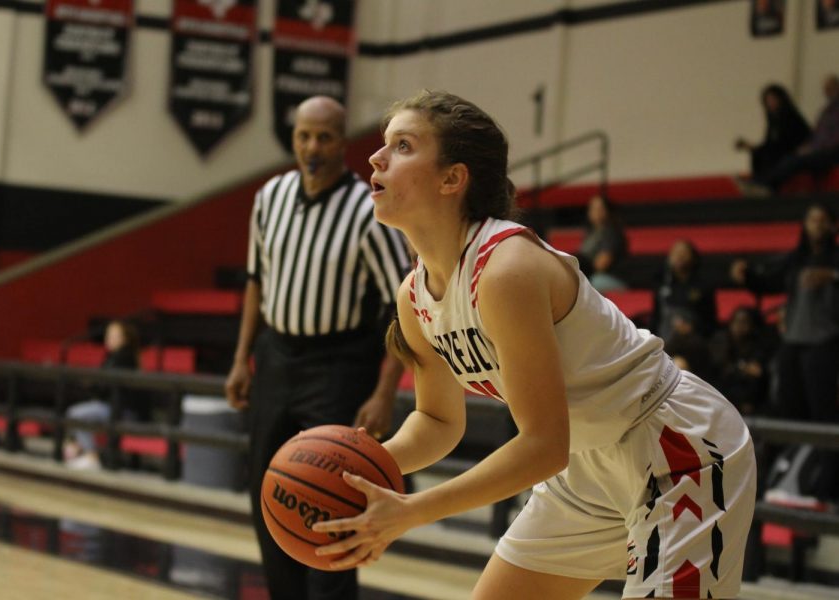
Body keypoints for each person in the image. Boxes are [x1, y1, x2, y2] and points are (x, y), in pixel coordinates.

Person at [313, 91, 756, 599]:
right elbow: (438, 422)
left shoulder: (506, 269)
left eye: (403, 145)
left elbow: (543, 444)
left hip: (674, 448)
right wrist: (362, 472)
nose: (375, 156)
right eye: (384, 145)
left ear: (452, 179)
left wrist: (411, 511)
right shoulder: (414, 295)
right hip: (584, 468)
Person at [224, 96, 409, 600]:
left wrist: (385, 390)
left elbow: (405, 306)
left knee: (333, 504)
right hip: (277, 356)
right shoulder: (269, 197)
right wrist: (243, 358)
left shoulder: (368, 210)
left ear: (342, 143)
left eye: (324, 137)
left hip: (340, 363)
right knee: (271, 491)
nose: (312, 147)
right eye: (304, 136)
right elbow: (255, 283)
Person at [731, 202, 839, 502]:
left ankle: (825, 489)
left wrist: (831, 276)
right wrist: (747, 275)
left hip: (824, 342)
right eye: (810, 220)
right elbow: (769, 281)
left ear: (832, 226)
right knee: (789, 413)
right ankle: (784, 481)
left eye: (821, 220)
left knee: (824, 417)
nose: (815, 225)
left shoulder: (833, 259)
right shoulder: (797, 259)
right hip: (793, 342)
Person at [64, 319, 142, 470]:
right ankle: (78, 449)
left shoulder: (124, 358)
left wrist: (93, 385)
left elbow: (107, 387)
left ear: (125, 338)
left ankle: (91, 456)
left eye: (114, 335)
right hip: (110, 407)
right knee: (80, 416)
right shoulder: (112, 357)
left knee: (75, 414)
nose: (109, 339)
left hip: (121, 411)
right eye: (108, 335)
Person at [757, 75, 839, 193]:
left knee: (791, 161)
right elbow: (816, 135)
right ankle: (762, 184)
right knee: (785, 157)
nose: (826, 92)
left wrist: (814, 148)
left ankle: (765, 186)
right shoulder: (827, 111)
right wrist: (808, 147)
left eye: (830, 88)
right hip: (820, 151)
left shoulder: (833, 111)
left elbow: (833, 140)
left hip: (830, 153)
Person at [734, 84, 811, 185]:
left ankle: (765, 183)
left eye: (773, 99)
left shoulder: (791, 117)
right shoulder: (773, 121)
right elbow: (770, 143)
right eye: (767, 100)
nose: (770, 103)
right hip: (779, 151)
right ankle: (759, 181)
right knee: (758, 153)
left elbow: (790, 141)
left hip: (789, 152)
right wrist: (752, 147)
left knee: (769, 156)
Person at [709, 307, 775, 417]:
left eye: (745, 322)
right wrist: (743, 367)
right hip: (723, 386)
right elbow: (721, 365)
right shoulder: (721, 339)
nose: (740, 326)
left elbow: (757, 369)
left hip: (748, 388)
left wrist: (742, 368)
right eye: (737, 322)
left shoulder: (756, 342)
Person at [651, 239, 717, 343]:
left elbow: (711, 322)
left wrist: (692, 328)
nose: (679, 256)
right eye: (675, 253)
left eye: (684, 253)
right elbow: (656, 318)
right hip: (665, 339)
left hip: (694, 340)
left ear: (693, 257)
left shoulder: (704, 286)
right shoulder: (661, 283)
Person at [576, 195, 629, 292]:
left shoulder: (612, 233)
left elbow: (601, 264)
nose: (595, 212)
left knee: (588, 284)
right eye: (592, 208)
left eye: (599, 208)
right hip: (590, 274)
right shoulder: (590, 233)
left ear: (607, 210)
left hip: (611, 277)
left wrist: (583, 266)